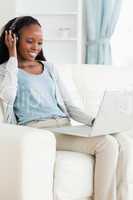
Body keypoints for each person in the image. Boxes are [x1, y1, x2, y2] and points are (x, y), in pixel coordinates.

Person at [0, 16, 132, 200]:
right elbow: (7, 97)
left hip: (64, 126)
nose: (35, 47)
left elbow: (69, 105)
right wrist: (12, 57)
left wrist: (94, 122)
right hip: (40, 131)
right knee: (106, 144)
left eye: (39, 42)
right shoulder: (7, 71)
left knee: (123, 141)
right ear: (12, 38)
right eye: (29, 41)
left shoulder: (49, 68)